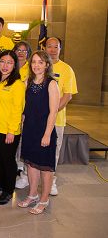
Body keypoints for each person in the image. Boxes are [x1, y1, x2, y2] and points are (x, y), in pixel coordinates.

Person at [18, 51, 59, 215]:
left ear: (47, 65)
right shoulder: (27, 82)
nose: (36, 65)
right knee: (31, 164)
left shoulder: (51, 84)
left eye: (40, 62)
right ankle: (32, 194)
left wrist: (47, 134)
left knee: (45, 168)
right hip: (29, 130)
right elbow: (25, 107)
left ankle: (44, 199)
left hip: (44, 131)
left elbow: (53, 112)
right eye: (34, 62)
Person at [0, 50, 25, 205]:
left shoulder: (17, 84)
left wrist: (11, 131)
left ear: (14, 65)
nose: (5, 65)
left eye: (9, 62)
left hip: (9, 131)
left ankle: (8, 190)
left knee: (8, 161)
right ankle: (0, 184)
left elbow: (17, 109)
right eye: (2, 61)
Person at [45, 37, 77, 195]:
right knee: (33, 147)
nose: (52, 50)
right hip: (36, 119)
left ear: (60, 49)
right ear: (44, 48)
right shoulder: (39, 65)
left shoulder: (66, 69)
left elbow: (67, 95)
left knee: (53, 151)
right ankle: (27, 176)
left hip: (56, 119)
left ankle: (51, 181)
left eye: (55, 47)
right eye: (49, 46)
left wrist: (51, 112)